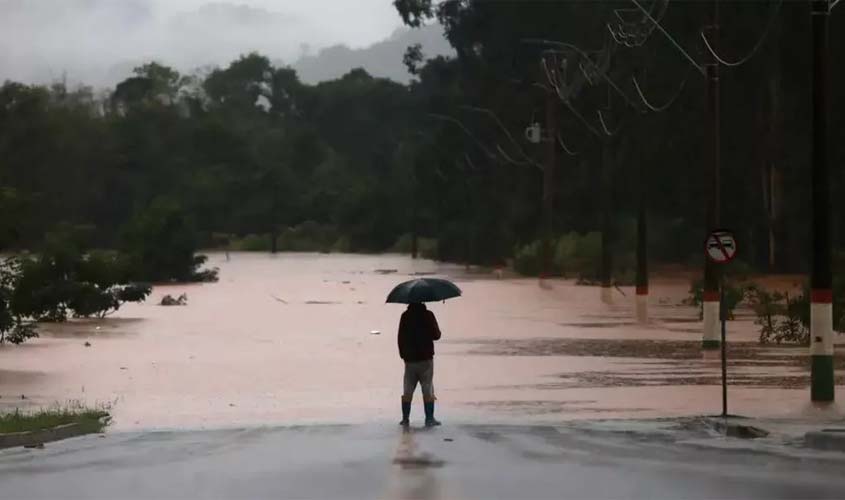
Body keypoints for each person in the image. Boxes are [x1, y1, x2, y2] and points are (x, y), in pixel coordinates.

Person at [398, 302, 442, 427]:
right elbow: (437, 335)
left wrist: (403, 355)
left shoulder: (405, 316)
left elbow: (400, 337)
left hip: (410, 360)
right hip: (425, 359)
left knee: (408, 388)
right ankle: (429, 418)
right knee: (427, 388)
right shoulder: (428, 315)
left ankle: (405, 419)